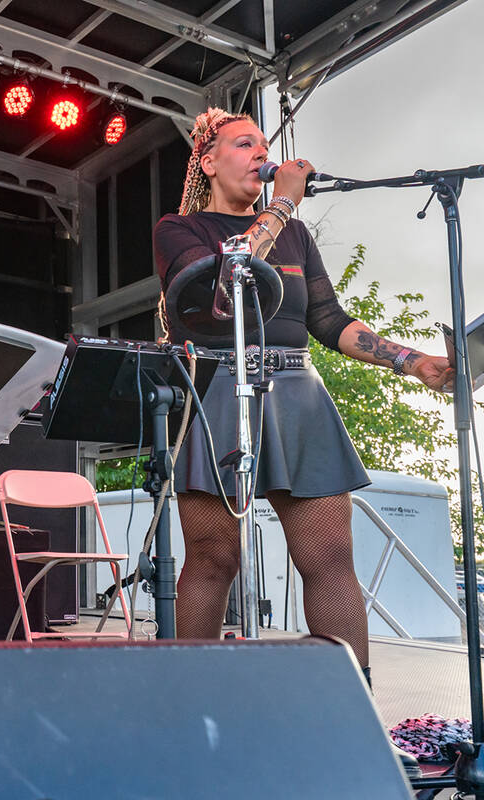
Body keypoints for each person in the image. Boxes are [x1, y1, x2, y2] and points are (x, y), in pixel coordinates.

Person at [153, 108, 451, 732]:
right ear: (208, 162)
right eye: (245, 142)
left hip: (296, 387)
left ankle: (351, 716)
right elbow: (224, 289)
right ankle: (186, 708)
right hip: (216, 386)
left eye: (266, 144)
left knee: (330, 557)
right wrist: (283, 206)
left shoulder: (294, 237)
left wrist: (410, 360)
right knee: (212, 558)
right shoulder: (180, 228)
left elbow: (328, 320)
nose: (262, 153)